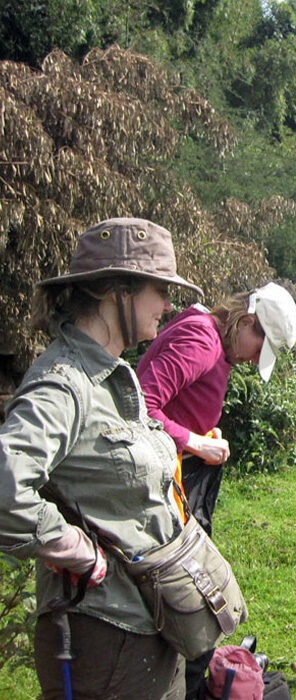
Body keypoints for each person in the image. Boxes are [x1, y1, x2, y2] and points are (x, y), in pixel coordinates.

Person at [0, 217, 203, 698]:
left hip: (152, 621)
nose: (169, 305)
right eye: (160, 289)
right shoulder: (63, 384)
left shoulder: (116, 375)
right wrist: (76, 550)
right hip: (102, 636)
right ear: (118, 291)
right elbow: (6, 486)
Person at [136, 282, 296, 700]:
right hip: (163, 483)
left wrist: (200, 433)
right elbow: (138, 407)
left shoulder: (213, 344)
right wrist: (195, 442)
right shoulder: (201, 340)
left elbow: (177, 407)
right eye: (256, 349)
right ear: (246, 322)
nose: (249, 361)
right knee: (183, 590)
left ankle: (182, 678)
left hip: (186, 478)